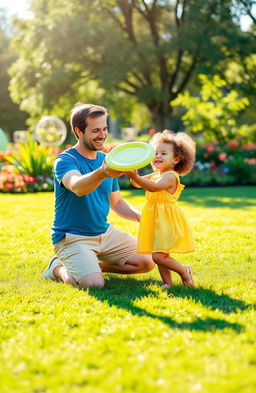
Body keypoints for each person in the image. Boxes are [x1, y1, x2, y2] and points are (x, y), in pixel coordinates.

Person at [42, 103, 154, 288]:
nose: (102, 135)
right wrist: (102, 172)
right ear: (79, 131)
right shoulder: (65, 160)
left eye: (104, 129)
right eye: (95, 130)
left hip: (104, 234)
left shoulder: (106, 161)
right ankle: (57, 268)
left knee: (147, 262)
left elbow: (116, 202)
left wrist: (141, 217)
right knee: (93, 284)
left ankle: (91, 266)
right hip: (72, 237)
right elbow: (77, 186)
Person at [125, 130, 196, 288]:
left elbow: (155, 188)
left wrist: (136, 177)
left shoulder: (170, 176)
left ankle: (184, 271)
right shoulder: (157, 173)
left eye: (163, 153)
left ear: (176, 159)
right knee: (160, 253)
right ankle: (168, 283)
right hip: (155, 219)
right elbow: (137, 183)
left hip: (166, 220)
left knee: (158, 256)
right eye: (156, 153)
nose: (158, 156)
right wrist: (133, 174)